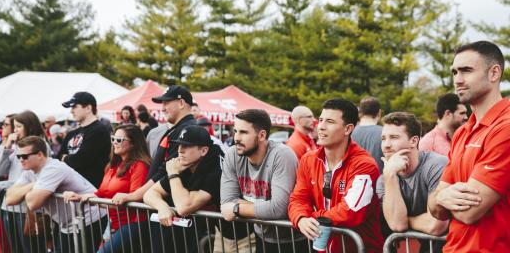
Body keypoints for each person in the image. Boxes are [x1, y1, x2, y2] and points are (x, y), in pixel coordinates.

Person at [428, 41, 510, 252]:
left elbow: (469, 213)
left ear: (494, 73)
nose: (458, 80)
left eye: (466, 71)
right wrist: (440, 197)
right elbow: (434, 209)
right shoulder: (463, 132)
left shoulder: (506, 128)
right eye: (455, 72)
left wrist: (441, 198)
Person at [288, 98, 383, 253]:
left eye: (330, 122)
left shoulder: (365, 165)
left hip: (361, 248)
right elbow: (298, 198)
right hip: (323, 248)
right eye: (320, 120)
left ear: (348, 129)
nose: (321, 127)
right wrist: (301, 219)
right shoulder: (309, 159)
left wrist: (313, 217)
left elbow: (349, 211)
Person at [221, 109, 305, 253]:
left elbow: (279, 208)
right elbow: (227, 201)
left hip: (295, 238)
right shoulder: (232, 154)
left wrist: (237, 208)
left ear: (261, 135)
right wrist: (267, 207)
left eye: (244, 132)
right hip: (262, 236)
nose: (236, 138)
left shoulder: (281, 155)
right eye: (236, 131)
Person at [5, 136, 107, 253]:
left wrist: (26, 191)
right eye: (18, 156)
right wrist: (32, 185)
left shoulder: (53, 168)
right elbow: (9, 198)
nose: (21, 160)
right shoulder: (29, 171)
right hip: (68, 223)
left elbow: (33, 203)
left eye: (24, 156)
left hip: (88, 218)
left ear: (39, 155)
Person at [63, 124, 151, 253]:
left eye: (119, 140)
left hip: (133, 224)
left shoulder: (139, 165)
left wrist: (102, 202)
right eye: (113, 138)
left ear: (133, 144)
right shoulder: (113, 166)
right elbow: (100, 194)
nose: (115, 142)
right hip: (114, 224)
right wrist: (80, 197)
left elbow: (135, 199)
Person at [377, 112, 448, 252]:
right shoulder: (385, 177)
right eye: (383, 139)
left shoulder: (436, 165)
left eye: (394, 138)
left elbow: (436, 226)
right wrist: (390, 175)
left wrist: (407, 220)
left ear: (414, 141)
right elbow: (397, 226)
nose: (386, 145)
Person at [143, 125, 221, 253]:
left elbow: (184, 207)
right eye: (179, 145)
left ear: (203, 151)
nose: (180, 150)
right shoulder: (185, 163)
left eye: (187, 146)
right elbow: (150, 193)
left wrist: (173, 173)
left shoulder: (215, 168)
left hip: (234, 234)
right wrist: (162, 207)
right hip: (204, 233)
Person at [0, 111, 48, 253]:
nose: (15, 130)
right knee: (16, 249)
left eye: (19, 126)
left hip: (28, 208)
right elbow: (0, 171)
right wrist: (7, 146)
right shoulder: (15, 147)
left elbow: (32, 177)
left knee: (31, 248)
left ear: (29, 126)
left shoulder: (40, 145)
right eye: (14, 126)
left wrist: (2, 185)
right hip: (10, 205)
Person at [58, 91, 111, 188]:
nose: (71, 111)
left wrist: (65, 158)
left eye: (75, 107)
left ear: (88, 108)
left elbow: (81, 160)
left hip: (90, 191)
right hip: (70, 190)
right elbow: (58, 158)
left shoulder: (99, 130)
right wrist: (67, 158)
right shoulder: (71, 133)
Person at [351, 96, 384, 172]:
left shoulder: (348, 132)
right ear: (379, 112)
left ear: (359, 112)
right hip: (377, 181)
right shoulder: (385, 133)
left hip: (353, 181)